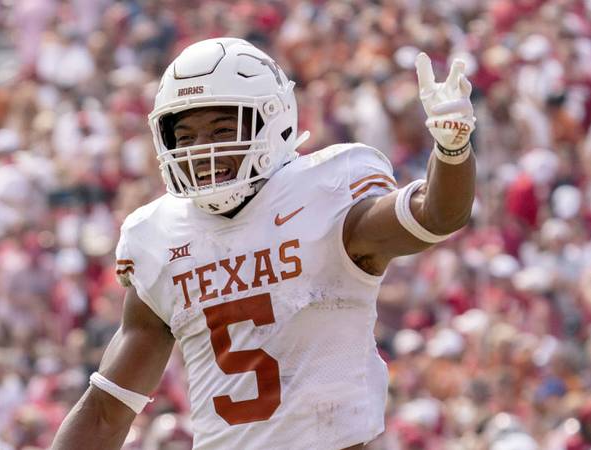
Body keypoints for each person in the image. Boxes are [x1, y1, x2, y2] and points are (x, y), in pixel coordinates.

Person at [51, 37, 476, 450]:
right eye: (186, 137)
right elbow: (107, 408)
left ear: (273, 122)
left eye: (220, 130)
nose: (202, 151)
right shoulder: (159, 238)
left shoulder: (324, 197)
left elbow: (435, 216)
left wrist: (452, 151)